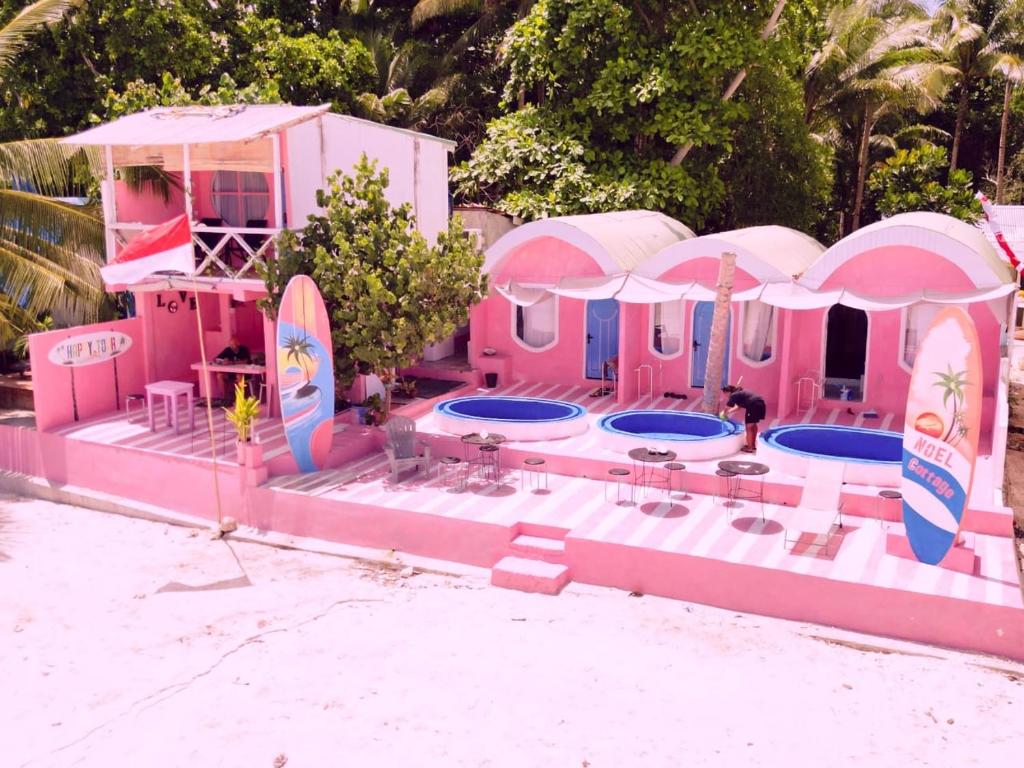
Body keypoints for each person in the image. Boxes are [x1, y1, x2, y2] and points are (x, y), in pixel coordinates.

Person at [721, 384, 766, 453]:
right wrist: (728, 412)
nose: (725, 395)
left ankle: (750, 447)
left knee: (748, 427)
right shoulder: (739, 394)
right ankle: (752, 445)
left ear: (728, 392)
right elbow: (738, 407)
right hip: (760, 404)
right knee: (753, 425)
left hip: (753, 405)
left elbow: (727, 407)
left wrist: (724, 414)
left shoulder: (733, 395)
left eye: (724, 394)